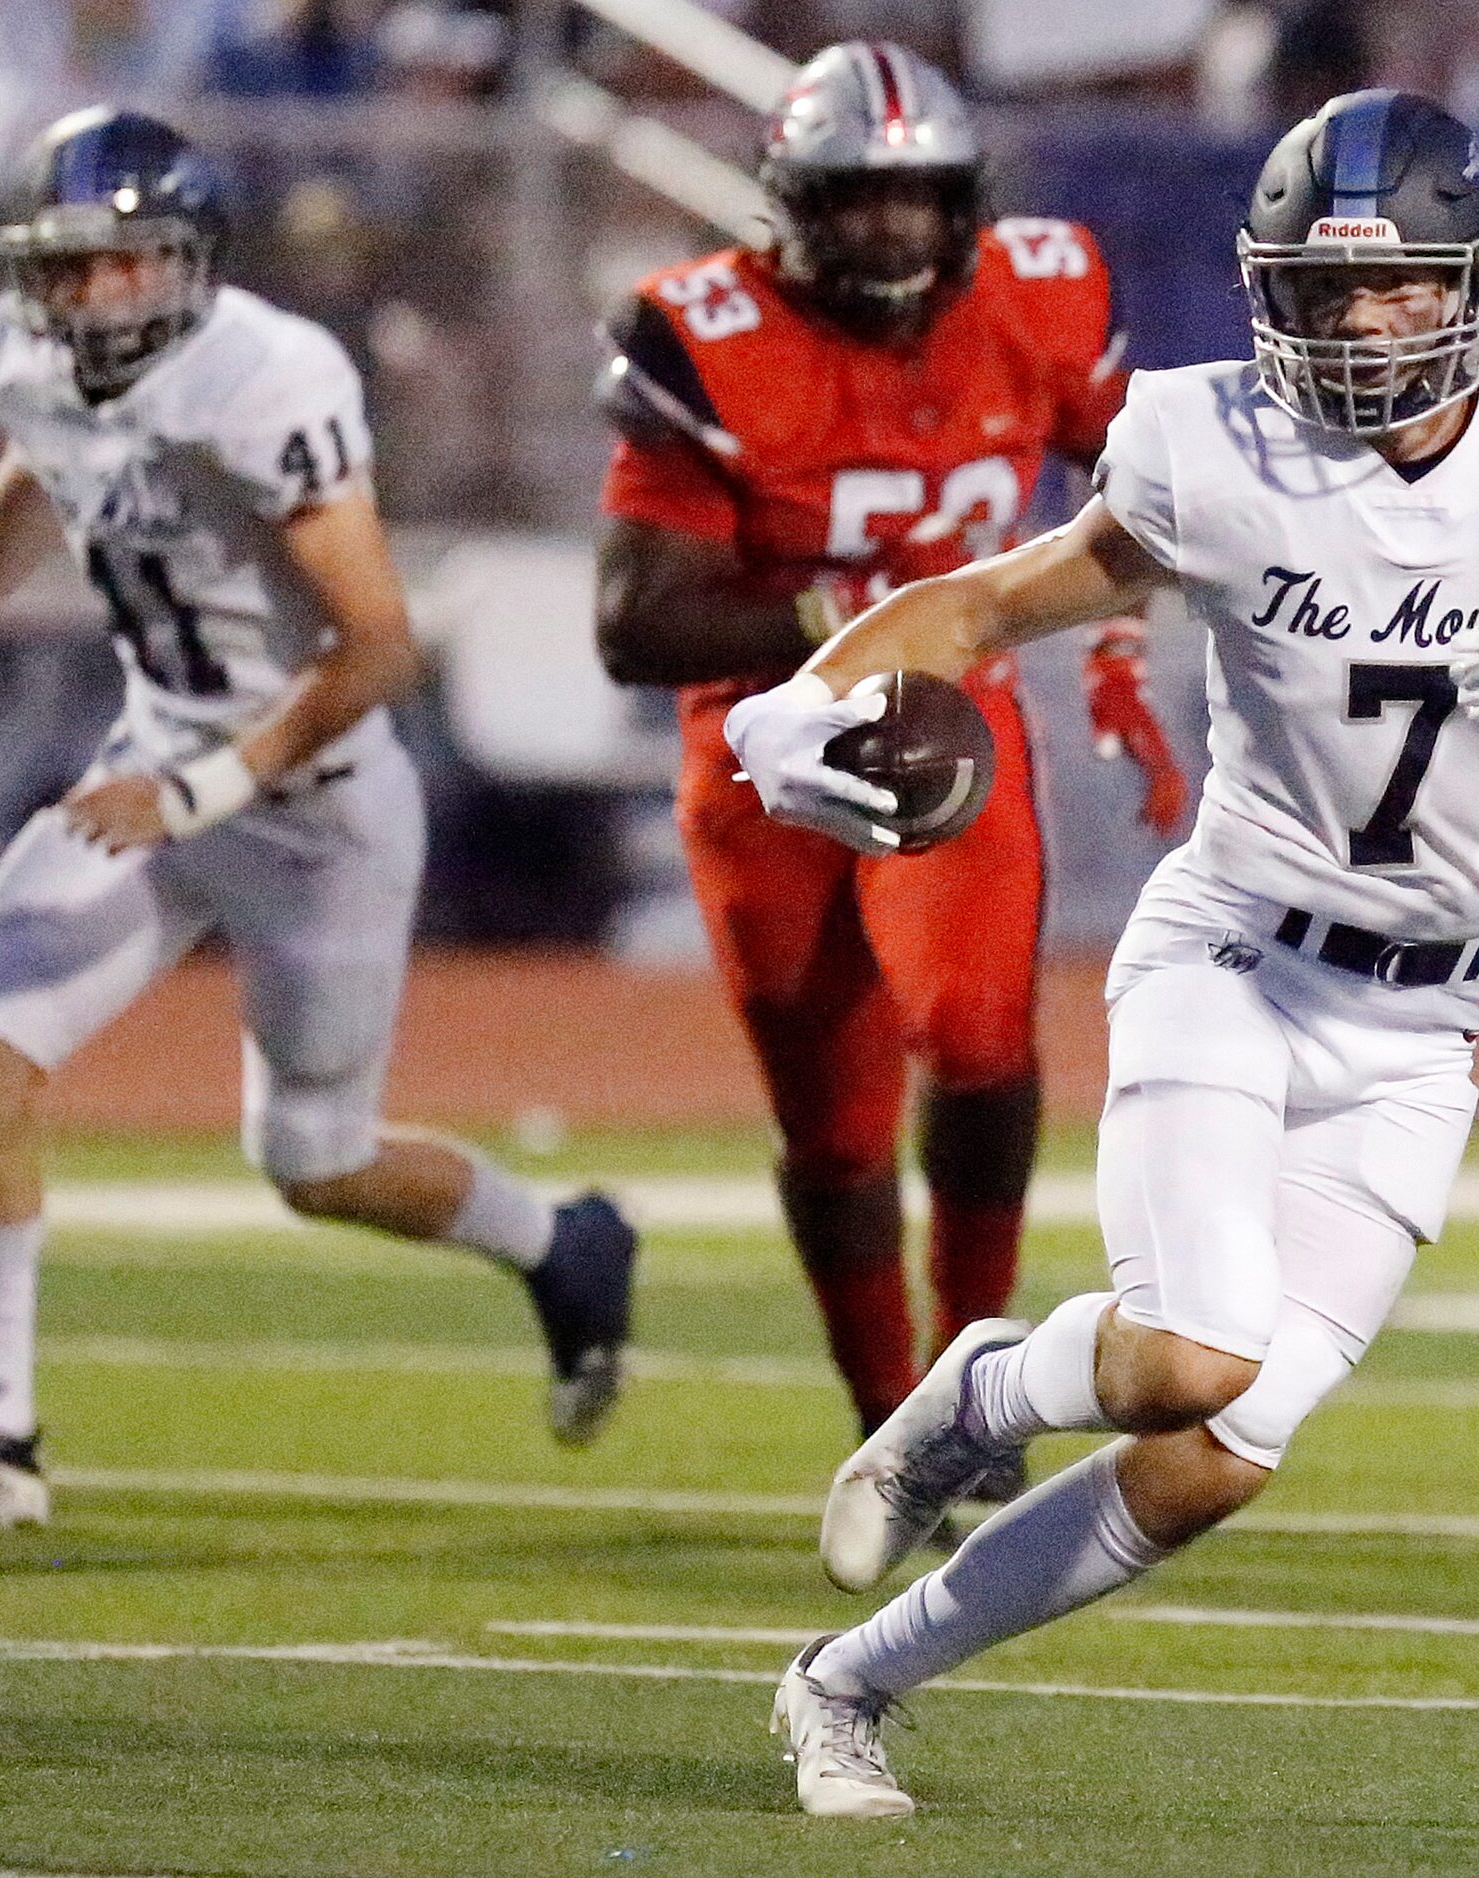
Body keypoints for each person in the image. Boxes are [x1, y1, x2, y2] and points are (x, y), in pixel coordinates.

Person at [730, 88, 1479, 1816]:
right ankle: (986, 1383)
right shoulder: (1213, 440)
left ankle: (842, 1683)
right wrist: (794, 708)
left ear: (1468, 282)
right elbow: (988, 601)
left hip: (1418, 1031)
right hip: (1236, 957)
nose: (1358, 324)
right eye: (1322, 294)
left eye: (1394, 286)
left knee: (1212, 1460)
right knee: (1193, 1353)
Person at [0, 107, 638, 1535]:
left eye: (126, 265)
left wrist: (198, 789)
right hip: (157, 770)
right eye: (67, 268)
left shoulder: (265, 376)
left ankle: (566, 1239)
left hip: (310, 803)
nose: (93, 296)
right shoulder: (31, 360)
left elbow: (380, 644)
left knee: (314, 1161)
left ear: (188, 263)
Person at [593, 41, 1185, 1452]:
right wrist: (850, 605)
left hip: (946, 710)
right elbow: (637, 621)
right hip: (764, 739)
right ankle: (885, 1412)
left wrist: (1114, 645)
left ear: (966, 200)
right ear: (791, 198)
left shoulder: (1042, 288)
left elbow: (1144, 479)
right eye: (857, 197)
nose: (890, 228)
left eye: (918, 198)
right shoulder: (704, 331)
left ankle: (971, 1377)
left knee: (979, 1036)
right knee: (836, 1125)